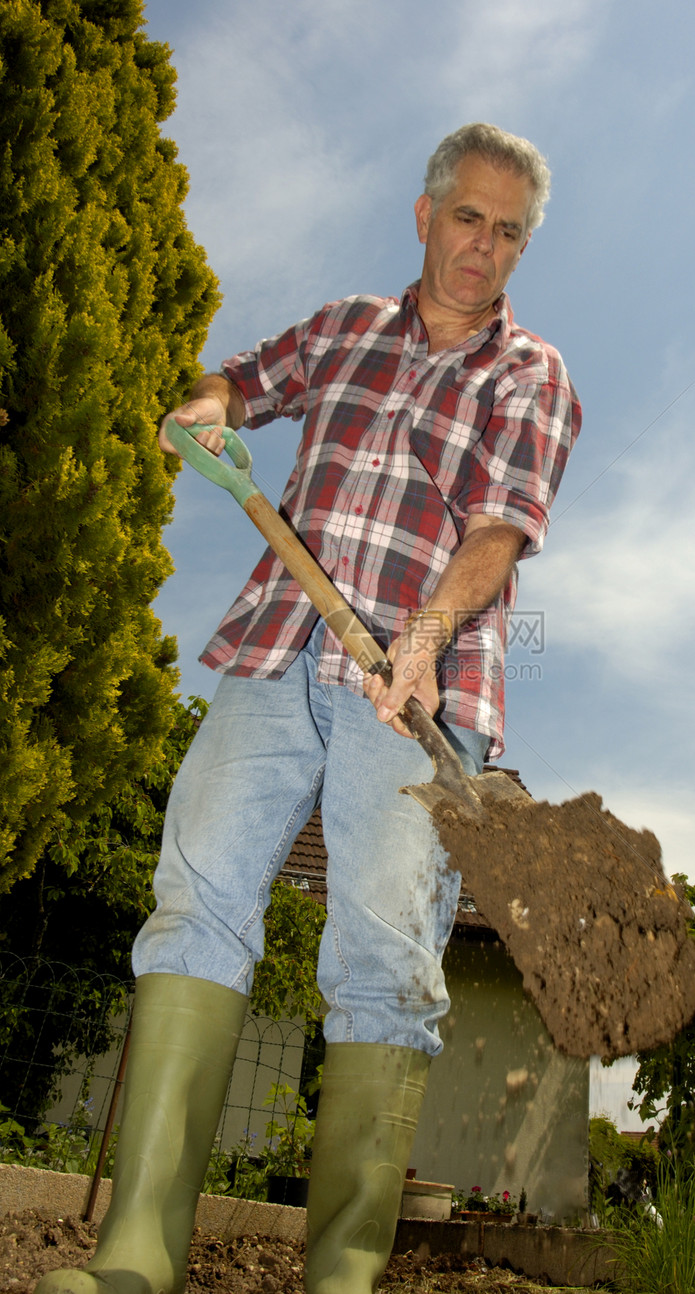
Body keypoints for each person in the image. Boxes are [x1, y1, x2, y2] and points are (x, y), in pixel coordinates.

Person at [37, 122, 580, 1294]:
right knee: (196, 901)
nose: (481, 246)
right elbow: (243, 381)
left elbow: (497, 529)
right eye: (467, 217)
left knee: (383, 955)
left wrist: (424, 638)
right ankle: (134, 1254)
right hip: (277, 652)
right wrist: (209, 403)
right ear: (425, 214)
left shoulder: (528, 374)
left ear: (520, 248)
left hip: (418, 693)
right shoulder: (342, 329)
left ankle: (338, 1276)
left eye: (507, 231)